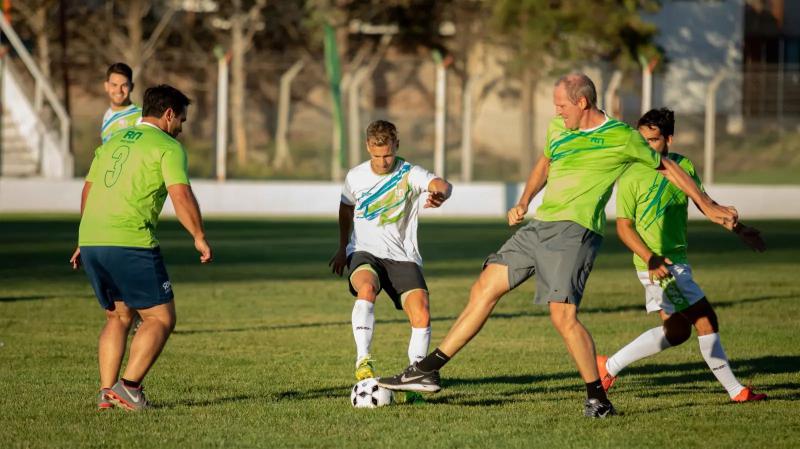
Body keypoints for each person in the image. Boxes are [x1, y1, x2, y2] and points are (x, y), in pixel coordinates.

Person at [378, 73, 739, 418]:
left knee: (562, 316)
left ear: (582, 102)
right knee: (484, 286)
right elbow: (545, 162)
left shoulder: (621, 136)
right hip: (540, 227)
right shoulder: (558, 129)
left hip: (575, 232)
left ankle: (597, 398)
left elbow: (667, 168)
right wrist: (525, 200)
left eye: (561, 105)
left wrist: (707, 205)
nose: (556, 112)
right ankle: (428, 370)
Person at [595, 108, 767, 402]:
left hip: (677, 262)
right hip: (658, 266)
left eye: (652, 140)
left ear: (669, 140)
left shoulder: (682, 166)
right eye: (641, 140)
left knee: (676, 333)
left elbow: (706, 204)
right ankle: (736, 391)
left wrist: (740, 230)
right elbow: (624, 228)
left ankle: (607, 367)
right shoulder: (631, 174)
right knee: (706, 320)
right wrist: (650, 258)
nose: (645, 146)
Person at [70, 85, 212, 411]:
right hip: (129, 240)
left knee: (118, 317)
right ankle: (129, 388)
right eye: (182, 121)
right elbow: (181, 195)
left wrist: (83, 238)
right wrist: (198, 235)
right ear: (168, 114)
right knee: (160, 317)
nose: (181, 128)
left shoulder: (112, 143)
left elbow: (89, 190)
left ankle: (107, 392)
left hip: (92, 238)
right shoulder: (168, 146)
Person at [329, 120, 452, 401]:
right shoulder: (355, 176)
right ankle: (364, 360)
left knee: (421, 312)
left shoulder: (409, 173)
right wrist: (341, 247)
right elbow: (345, 209)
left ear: (396, 146)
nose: (383, 162)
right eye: (376, 155)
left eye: (387, 155)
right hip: (363, 251)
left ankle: (415, 376)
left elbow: (442, 184)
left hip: (402, 255)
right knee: (366, 288)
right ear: (367, 148)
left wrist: (440, 194)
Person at [101, 63, 142, 144]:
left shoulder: (140, 116)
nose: (119, 90)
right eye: (114, 85)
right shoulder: (107, 114)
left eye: (124, 85)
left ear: (132, 87)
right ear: (106, 86)